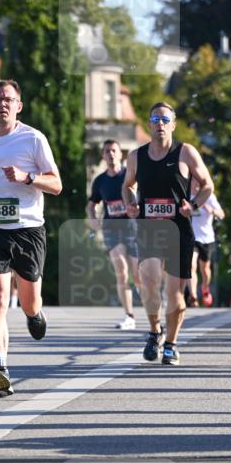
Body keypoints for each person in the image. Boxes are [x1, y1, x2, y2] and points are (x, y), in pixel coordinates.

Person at [0, 79, 62, 395]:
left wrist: (27, 178)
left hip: (28, 229)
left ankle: (34, 314)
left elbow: (57, 184)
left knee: (30, 301)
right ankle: (0, 367)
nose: (2, 104)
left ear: (18, 105)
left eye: (8, 99)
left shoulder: (33, 139)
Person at [122, 102, 214, 366]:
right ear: (149, 124)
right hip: (149, 228)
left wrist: (193, 205)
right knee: (149, 284)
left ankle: (171, 344)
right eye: (154, 119)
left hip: (178, 231)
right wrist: (130, 202)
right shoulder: (136, 156)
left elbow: (207, 184)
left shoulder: (186, 153)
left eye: (165, 119)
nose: (160, 124)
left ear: (173, 124)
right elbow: (128, 186)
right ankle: (155, 332)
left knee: (175, 294)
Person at [87, 139, 140, 329]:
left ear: (120, 154)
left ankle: (152, 307)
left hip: (132, 228)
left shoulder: (129, 175)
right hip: (111, 229)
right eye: (107, 151)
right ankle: (129, 316)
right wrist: (92, 218)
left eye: (114, 150)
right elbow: (92, 204)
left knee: (138, 273)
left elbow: (140, 195)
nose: (110, 154)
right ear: (103, 155)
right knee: (122, 271)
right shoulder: (100, 181)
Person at [188, 191, 225, 307]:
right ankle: (193, 295)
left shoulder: (209, 196)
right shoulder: (188, 195)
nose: (195, 184)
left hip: (207, 238)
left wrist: (213, 211)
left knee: (205, 269)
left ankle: (205, 286)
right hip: (192, 237)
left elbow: (222, 214)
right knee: (191, 266)